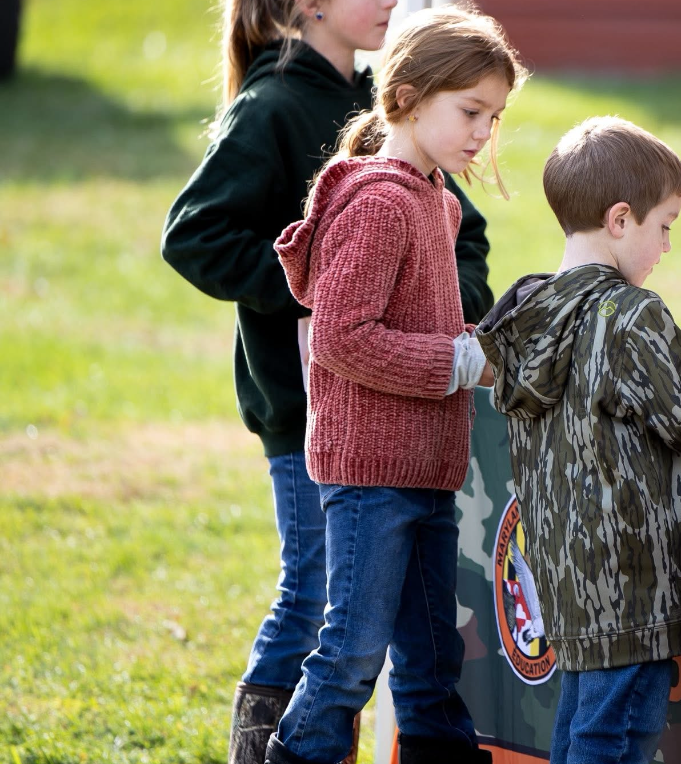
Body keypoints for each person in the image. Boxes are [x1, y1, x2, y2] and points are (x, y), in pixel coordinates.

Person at [159, 0, 495, 761]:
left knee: (406, 641)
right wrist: (327, 290)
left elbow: (462, 235)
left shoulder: (392, 110)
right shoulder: (273, 104)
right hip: (311, 413)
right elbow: (195, 235)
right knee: (318, 612)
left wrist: (447, 313)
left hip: (410, 426)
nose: (385, 1)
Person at [264, 6, 527, 764]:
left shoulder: (435, 201)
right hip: (371, 478)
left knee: (431, 662)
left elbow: (425, 324)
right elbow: (343, 338)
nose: (484, 131)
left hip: (427, 472)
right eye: (470, 111)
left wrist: (488, 344)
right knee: (349, 658)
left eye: (495, 116)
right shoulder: (381, 202)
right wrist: (455, 362)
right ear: (407, 97)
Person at [475, 116, 681, 764]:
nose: (666, 247)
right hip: (634, 579)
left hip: (566, 574)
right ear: (619, 220)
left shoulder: (530, 313)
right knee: (617, 736)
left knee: (587, 722)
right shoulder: (632, 316)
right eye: (663, 226)